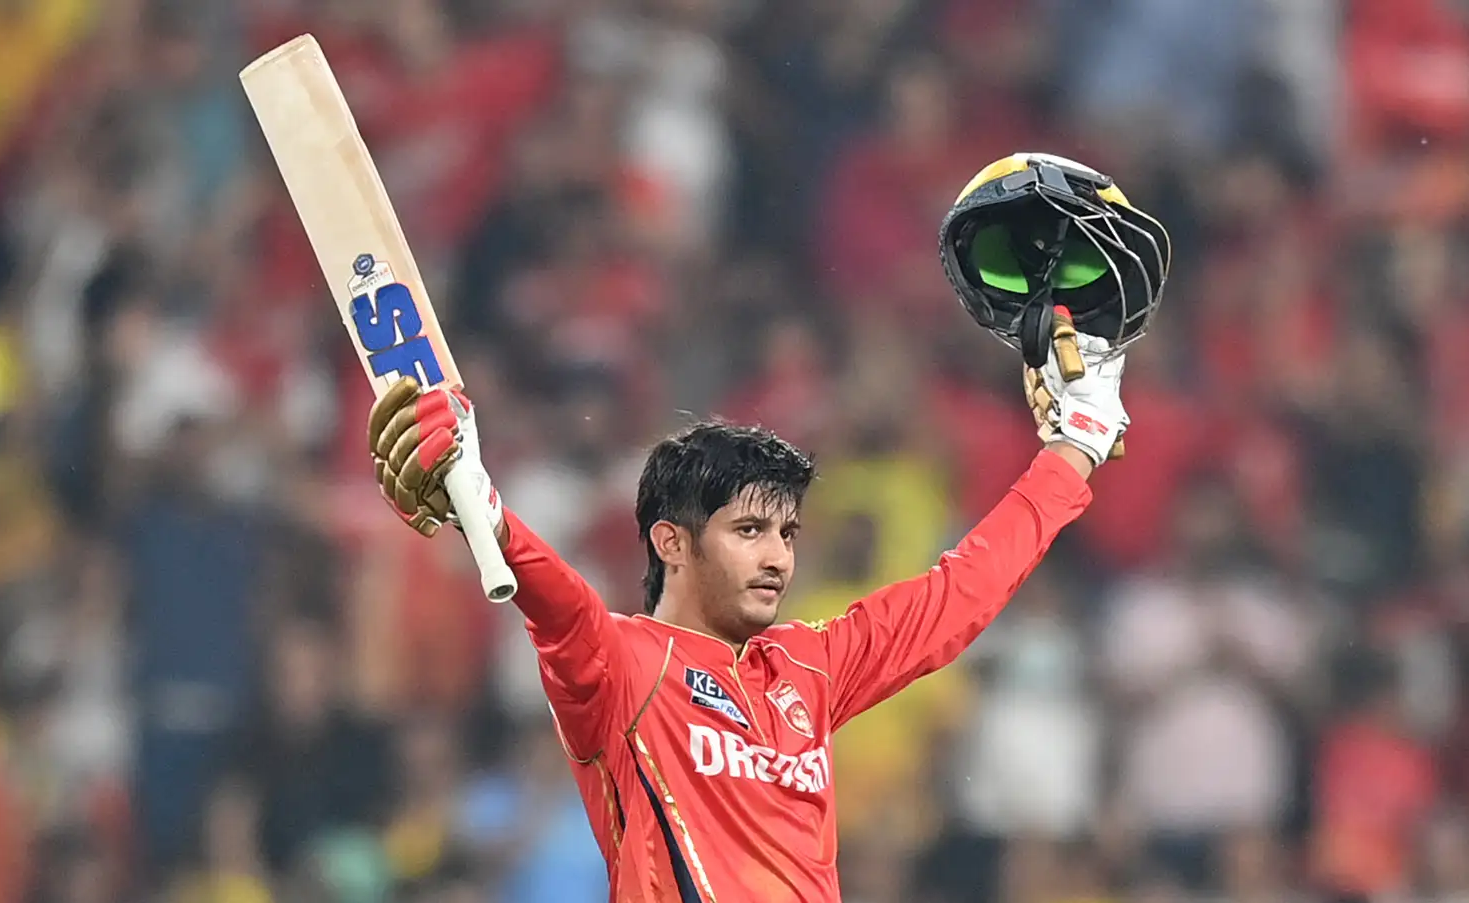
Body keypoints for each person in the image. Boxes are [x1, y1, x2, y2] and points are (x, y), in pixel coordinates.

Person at [365, 157, 1145, 902]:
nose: (777, 557)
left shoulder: (809, 665)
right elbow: (560, 606)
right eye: (748, 530)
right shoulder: (624, 667)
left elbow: (959, 594)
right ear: (672, 542)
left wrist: (1072, 451)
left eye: (787, 534)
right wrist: (485, 512)